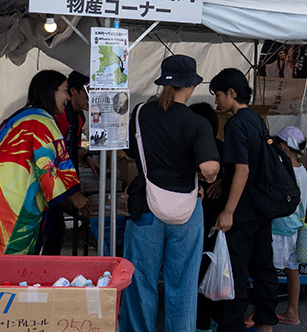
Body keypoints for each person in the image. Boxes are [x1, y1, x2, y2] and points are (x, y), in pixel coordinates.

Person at [119, 55, 221, 332]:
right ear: (190, 87)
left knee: (140, 280)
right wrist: (209, 174)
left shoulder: (140, 113)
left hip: (146, 207)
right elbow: (209, 166)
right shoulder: (197, 123)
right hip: (187, 209)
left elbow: (129, 152)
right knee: (183, 284)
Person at [0, 70, 90, 254]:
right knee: (9, 270)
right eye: (65, 91)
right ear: (51, 91)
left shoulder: (22, 115)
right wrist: (74, 196)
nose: (68, 97)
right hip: (10, 202)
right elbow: (47, 169)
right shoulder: (42, 121)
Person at [211, 68, 279, 332]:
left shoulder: (237, 123)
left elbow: (243, 169)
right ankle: (265, 323)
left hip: (243, 210)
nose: (217, 101)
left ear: (231, 93)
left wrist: (228, 211)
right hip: (262, 206)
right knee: (263, 266)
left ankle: (232, 326)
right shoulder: (256, 120)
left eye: (218, 94)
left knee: (235, 272)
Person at [40, 70, 100, 255]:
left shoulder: (79, 116)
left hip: (65, 182)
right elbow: (49, 160)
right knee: (52, 229)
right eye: (88, 92)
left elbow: (71, 146)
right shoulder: (54, 117)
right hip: (51, 184)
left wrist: (87, 157)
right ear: (72, 91)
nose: (92, 99)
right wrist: (71, 194)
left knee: (57, 231)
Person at [190, 102, 231, 332]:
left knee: (201, 270)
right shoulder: (222, 148)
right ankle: (210, 319)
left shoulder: (198, 150)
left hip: (206, 220)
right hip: (216, 221)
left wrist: (222, 183)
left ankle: (203, 322)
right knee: (213, 269)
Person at [270, 126, 307, 326]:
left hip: (281, 227)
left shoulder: (283, 170)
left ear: (284, 146)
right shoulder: (302, 170)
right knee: (291, 269)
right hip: (296, 226)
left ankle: (260, 313)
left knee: (270, 271)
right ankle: (292, 312)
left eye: (278, 143)